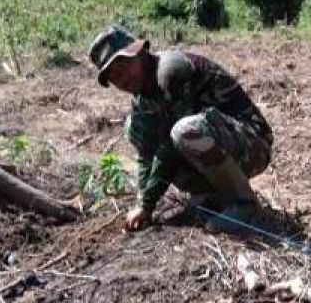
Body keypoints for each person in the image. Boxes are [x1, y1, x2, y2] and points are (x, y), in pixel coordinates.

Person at [87, 25, 273, 232]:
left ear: (139, 53)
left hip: (253, 143)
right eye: (113, 77)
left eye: (123, 67)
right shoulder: (142, 97)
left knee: (184, 132)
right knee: (136, 127)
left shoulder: (171, 72)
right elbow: (146, 156)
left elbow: (168, 148)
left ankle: (245, 204)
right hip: (222, 143)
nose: (121, 79)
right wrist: (142, 205)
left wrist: (147, 204)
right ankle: (213, 195)